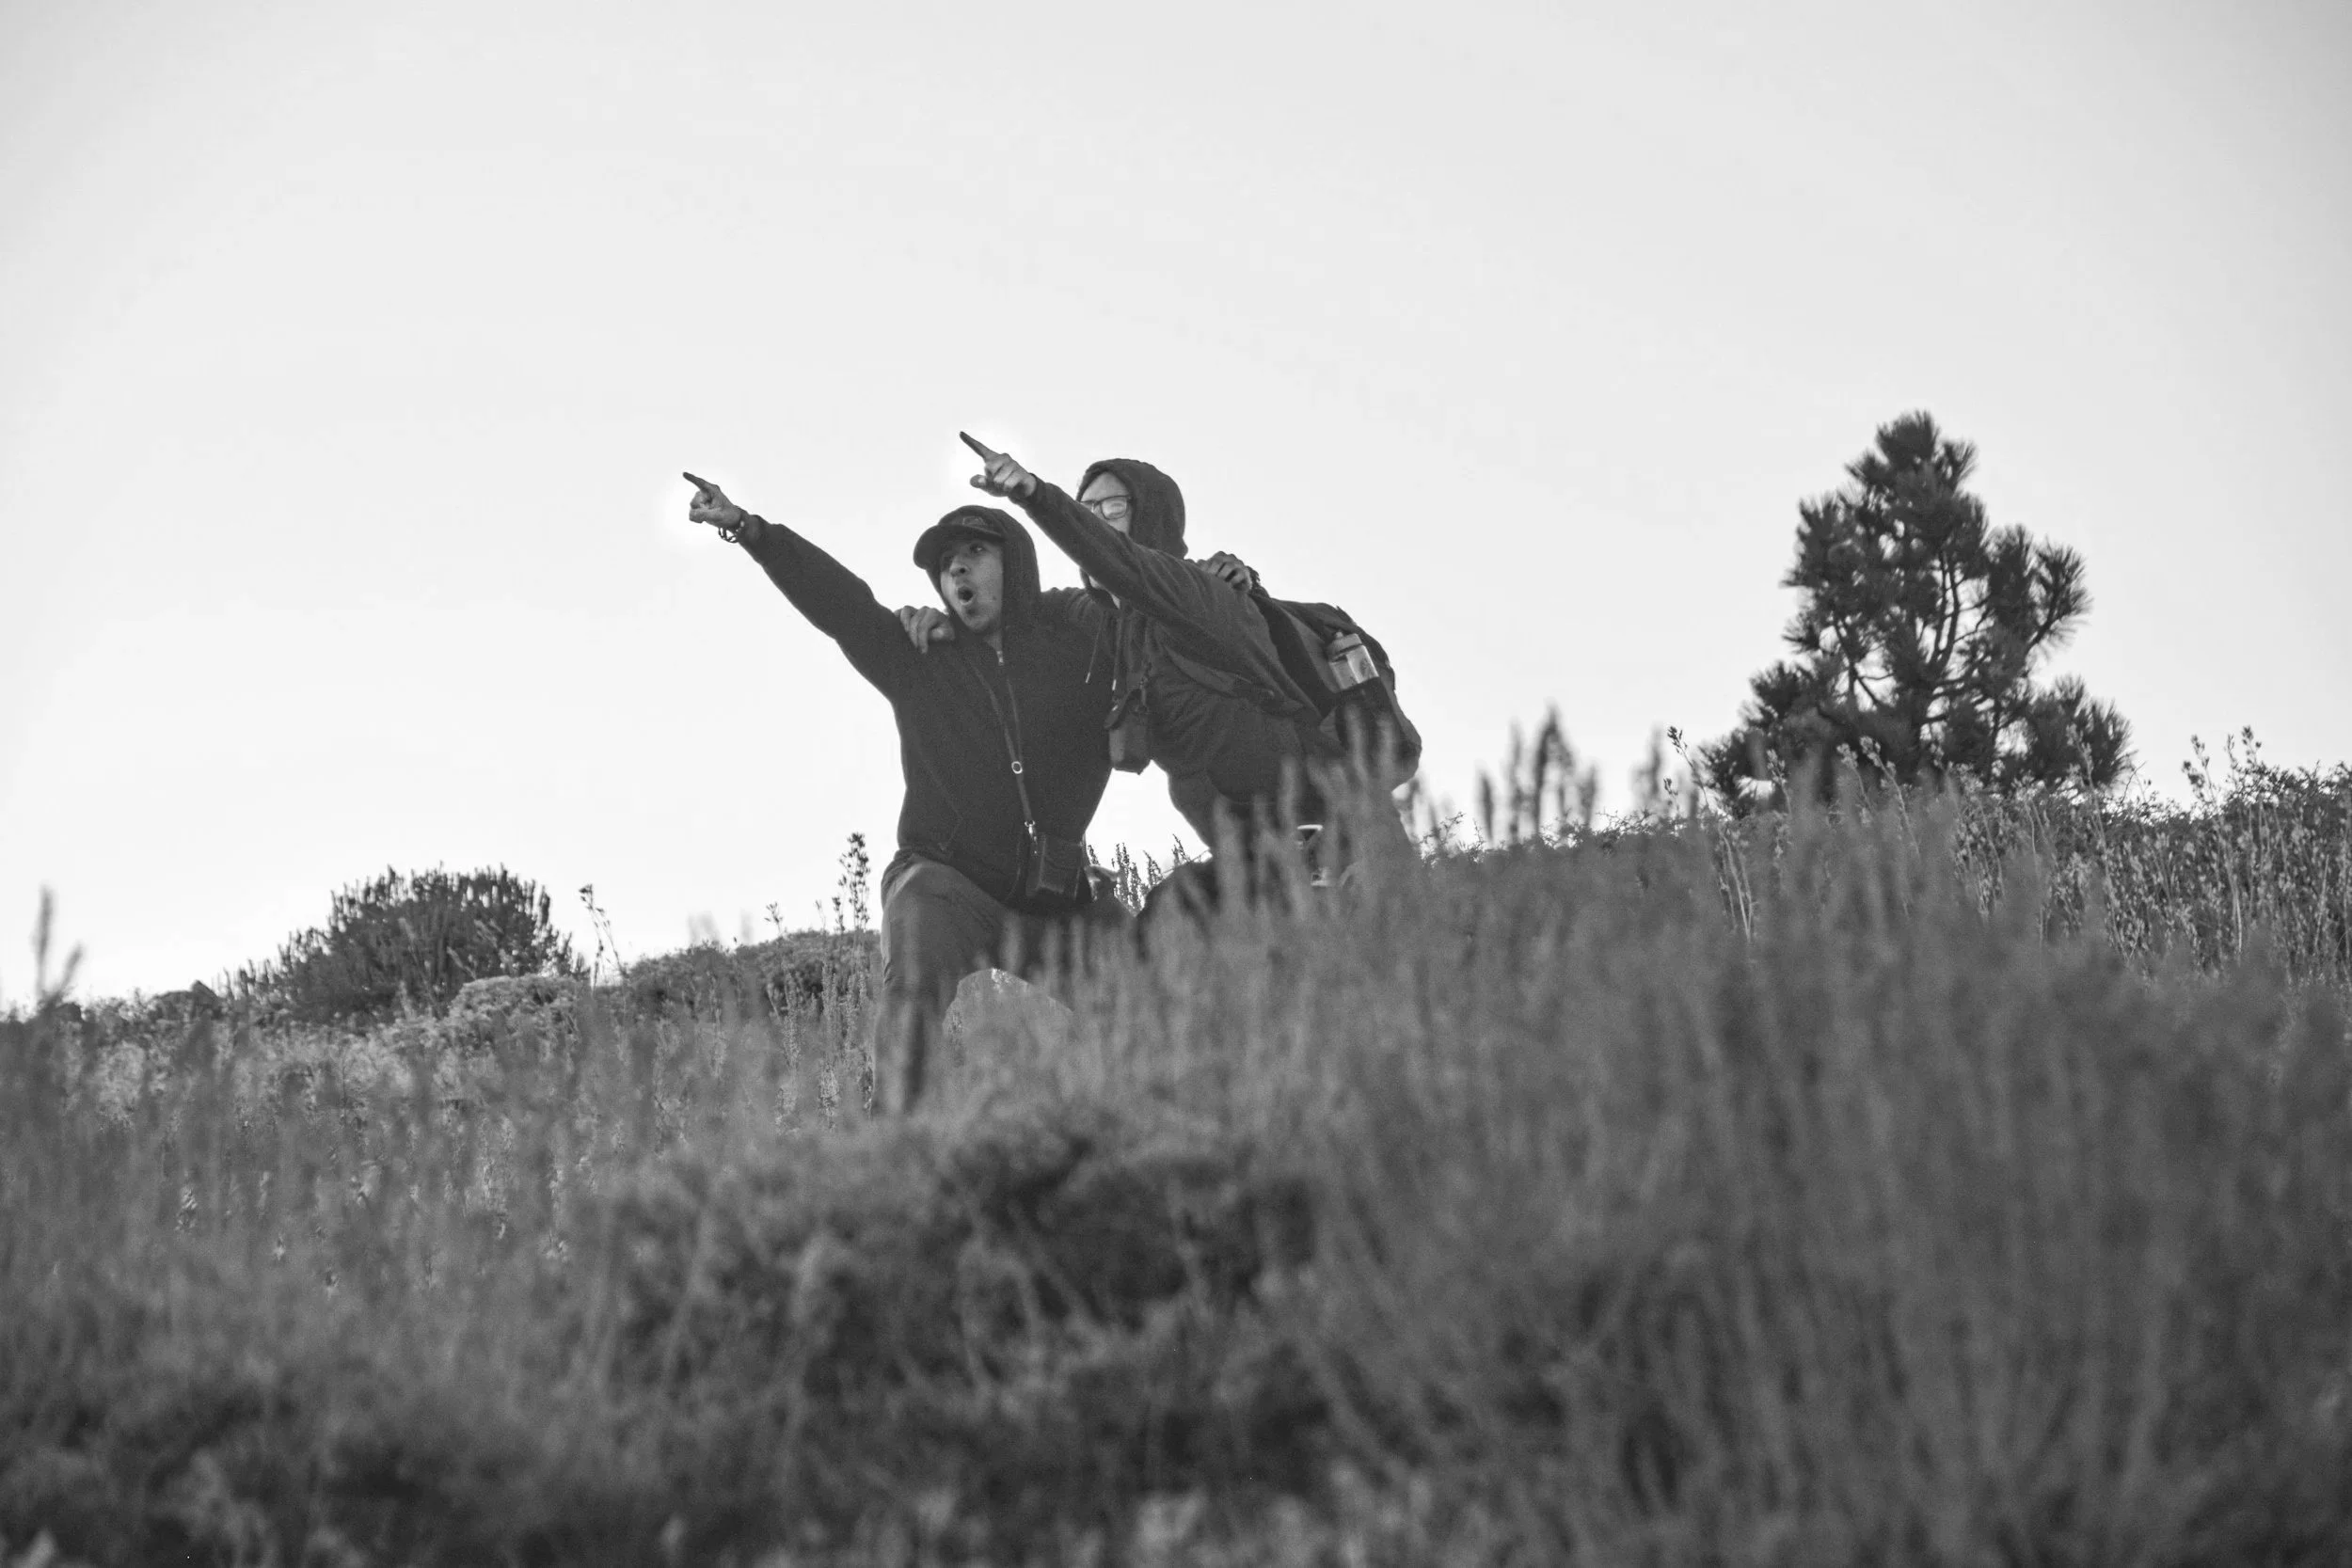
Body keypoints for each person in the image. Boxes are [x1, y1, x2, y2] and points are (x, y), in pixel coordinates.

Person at [685, 472, 1126, 1112]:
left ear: (1015, 560)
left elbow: (1152, 600)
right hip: (949, 880)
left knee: (1146, 984)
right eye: (947, 566)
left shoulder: (1077, 646)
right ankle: (899, 1144)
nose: (957, 571)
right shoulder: (917, 656)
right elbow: (842, 605)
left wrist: (1234, 586)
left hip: (1052, 893)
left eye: (973, 553)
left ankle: (1154, 1124)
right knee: (916, 955)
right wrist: (750, 530)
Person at [941, 439, 1415, 927]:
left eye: (1114, 507)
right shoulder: (1114, 621)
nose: (1097, 518)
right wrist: (944, 623)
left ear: (1152, 520)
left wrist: (1034, 494)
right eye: (1087, 509)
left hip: (1339, 851)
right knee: (1158, 944)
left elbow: (1119, 562)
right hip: (1254, 864)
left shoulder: (1196, 597)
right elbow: (1025, 610)